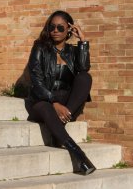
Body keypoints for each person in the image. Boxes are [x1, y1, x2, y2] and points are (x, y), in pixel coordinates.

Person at [25, 10, 96, 175]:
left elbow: (83, 68)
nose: (55, 31)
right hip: (42, 100)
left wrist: (83, 42)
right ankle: (77, 153)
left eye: (60, 27)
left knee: (85, 77)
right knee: (44, 107)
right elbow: (36, 81)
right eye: (52, 27)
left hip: (66, 103)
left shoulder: (71, 51)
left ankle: (60, 126)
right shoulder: (40, 47)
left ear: (69, 30)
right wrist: (54, 103)